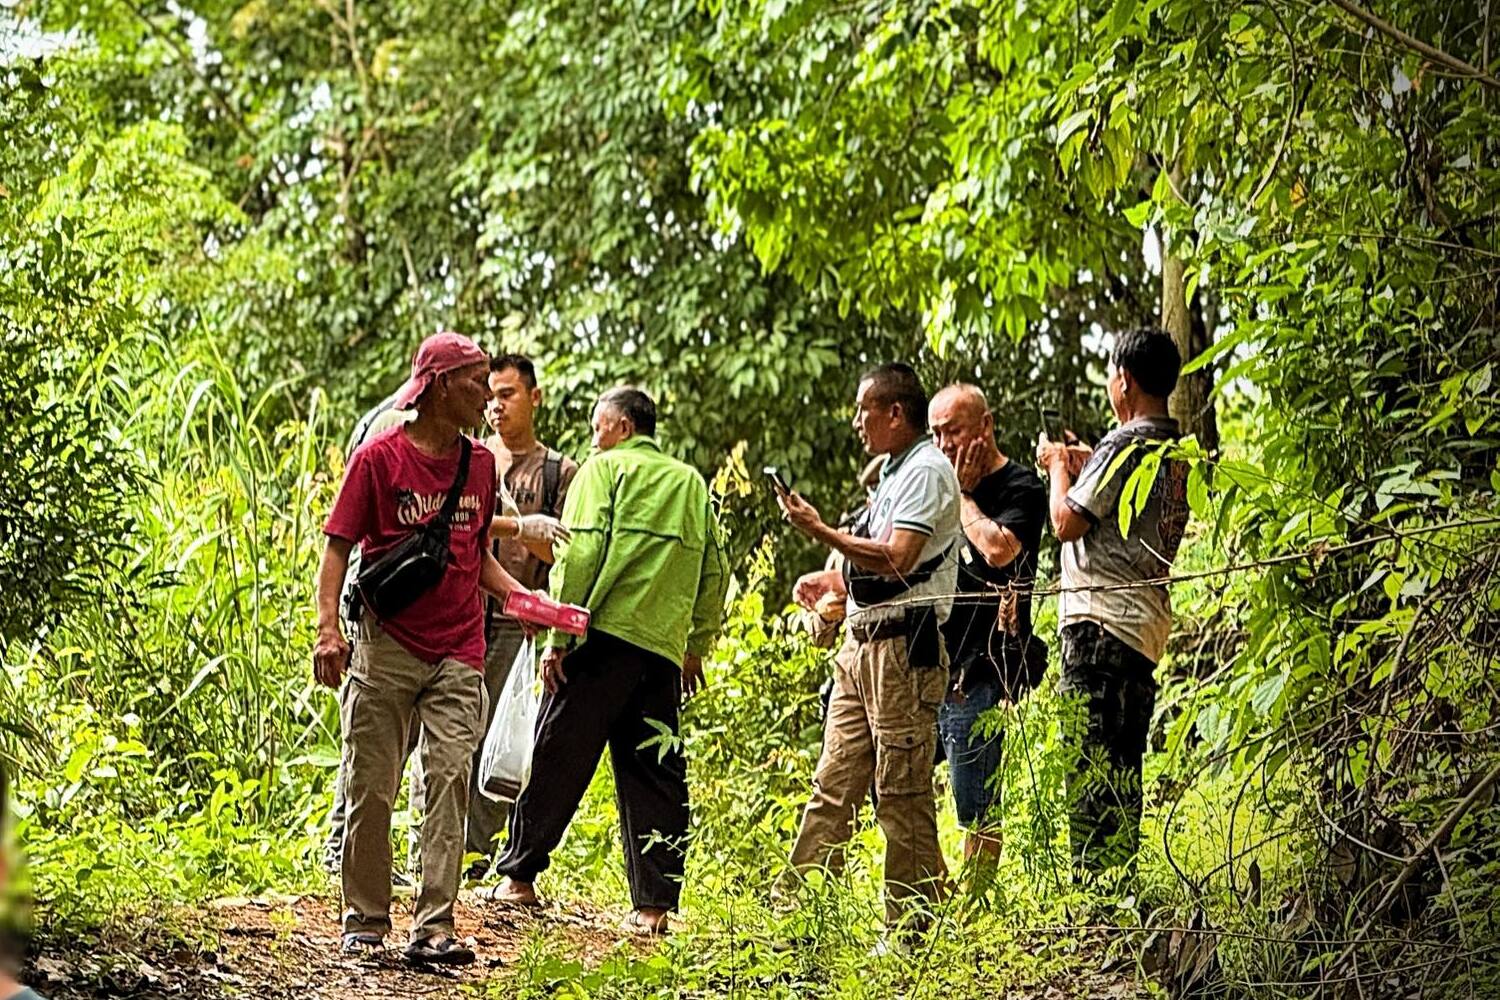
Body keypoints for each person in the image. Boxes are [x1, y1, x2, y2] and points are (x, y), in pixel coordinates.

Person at [312, 332, 531, 965]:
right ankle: (366, 919)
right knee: (371, 785)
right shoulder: (379, 460)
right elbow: (337, 549)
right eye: (474, 383)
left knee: (448, 779)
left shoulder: (482, 465)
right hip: (386, 646)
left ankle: (435, 925)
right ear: (438, 387)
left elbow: (475, 554)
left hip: (460, 648)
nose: (485, 396)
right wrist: (330, 631)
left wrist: (526, 603)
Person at [488, 387, 728, 936]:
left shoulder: (604, 471)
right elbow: (715, 570)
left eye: (598, 427)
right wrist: (694, 647)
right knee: (655, 774)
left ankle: (518, 877)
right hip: (661, 651)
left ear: (621, 427)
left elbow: (581, 554)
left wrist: (558, 638)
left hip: (600, 639)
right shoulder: (690, 482)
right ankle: (654, 907)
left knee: (558, 755)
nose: (593, 438)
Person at [778, 363, 960, 935]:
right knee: (833, 786)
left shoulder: (927, 471)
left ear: (895, 414)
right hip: (861, 648)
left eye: (865, 410)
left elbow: (899, 557)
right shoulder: (891, 474)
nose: (857, 422)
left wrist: (821, 531)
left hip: (905, 650)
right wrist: (830, 581)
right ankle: (796, 917)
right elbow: (876, 565)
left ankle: (911, 931)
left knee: (901, 793)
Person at [1036, 326, 1189, 875]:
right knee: (1123, 768)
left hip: (1098, 625)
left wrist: (1058, 469)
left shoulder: (1121, 447)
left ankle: (1097, 907)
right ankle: (1121, 894)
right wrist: (1084, 458)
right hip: (1144, 631)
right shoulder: (1175, 451)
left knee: (1088, 770)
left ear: (1123, 380)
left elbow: (1065, 522)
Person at [446, 353, 577, 878]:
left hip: (517, 626)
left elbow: (565, 553)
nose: (496, 406)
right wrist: (518, 526)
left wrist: (525, 528)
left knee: (504, 742)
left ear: (534, 397)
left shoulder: (558, 471)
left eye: (509, 395)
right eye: (491, 395)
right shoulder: (473, 458)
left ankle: (480, 856)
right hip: (462, 615)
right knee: (453, 737)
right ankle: (436, 850)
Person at [928, 384, 1047, 884]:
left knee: (975, 801)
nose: (943, 446)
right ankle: (938, 895)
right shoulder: (935, 488)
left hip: (984, 666)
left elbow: (998, 549)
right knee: (894, 787)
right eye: (934, 434)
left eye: (952, 431)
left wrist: (963, 498)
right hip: (926, 658)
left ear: (985, 426)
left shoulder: (1021, 487)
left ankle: (976, 914)